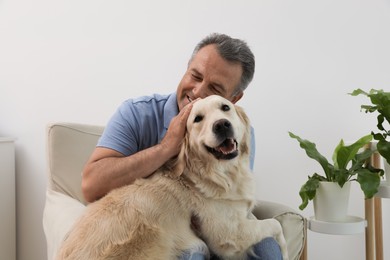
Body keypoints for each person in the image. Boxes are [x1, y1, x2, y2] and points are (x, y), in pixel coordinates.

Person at [82, 33, 283, 260]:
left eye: (215, 89)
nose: (197, 91)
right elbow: (91, 186)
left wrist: (210, 219)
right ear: (186, 69)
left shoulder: (236, 130)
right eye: (195, 76)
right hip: (155, 228)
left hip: (219, 223)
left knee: (268, 251)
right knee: (192, 255)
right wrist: (166, 148)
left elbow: (234, 201)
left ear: (234, 98)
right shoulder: (136, 113)